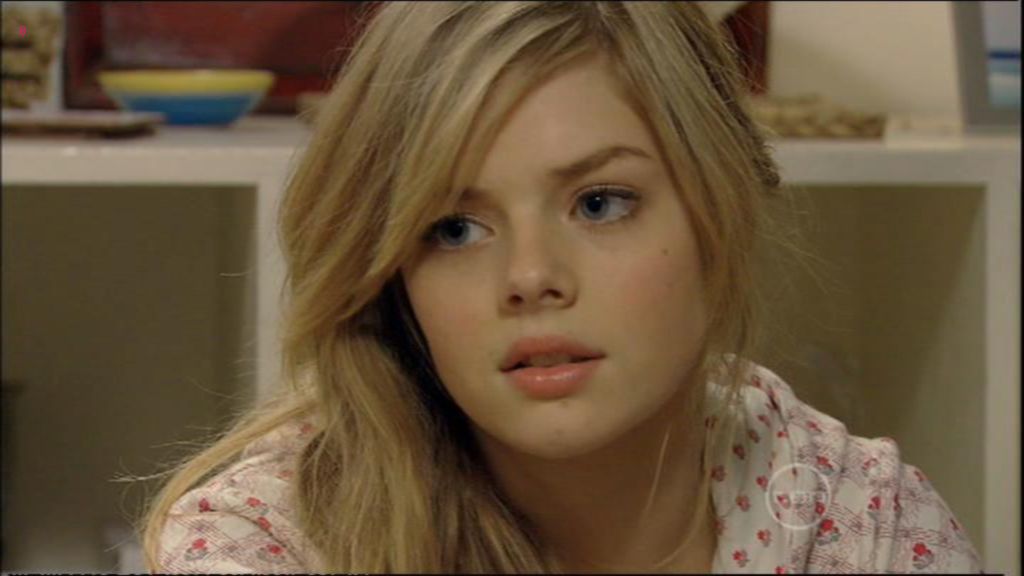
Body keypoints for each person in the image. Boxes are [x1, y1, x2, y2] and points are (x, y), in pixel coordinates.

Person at [140, 2, 982, 573]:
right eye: (454, 228)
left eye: (600, 203)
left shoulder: (865, 528)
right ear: (392, 272)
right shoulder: (266, 544)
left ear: (715, 216)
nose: (531, 278)